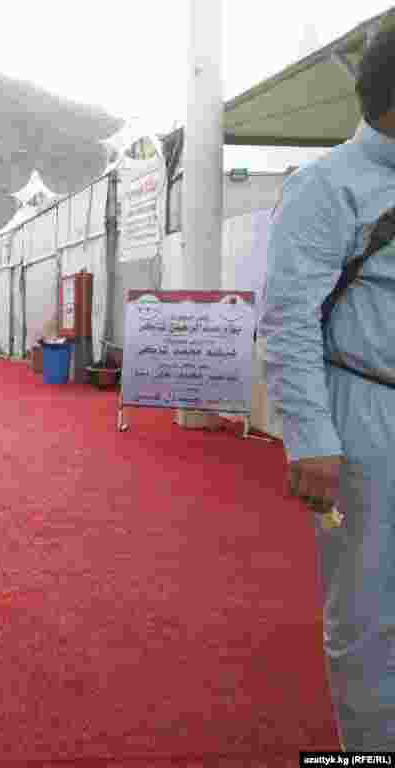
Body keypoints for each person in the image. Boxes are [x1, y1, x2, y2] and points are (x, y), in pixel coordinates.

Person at [259, 27, 395, 750]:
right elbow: (286, 322)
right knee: (370, 610)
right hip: (365, 410)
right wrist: (310, 437)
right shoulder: (326, 187)